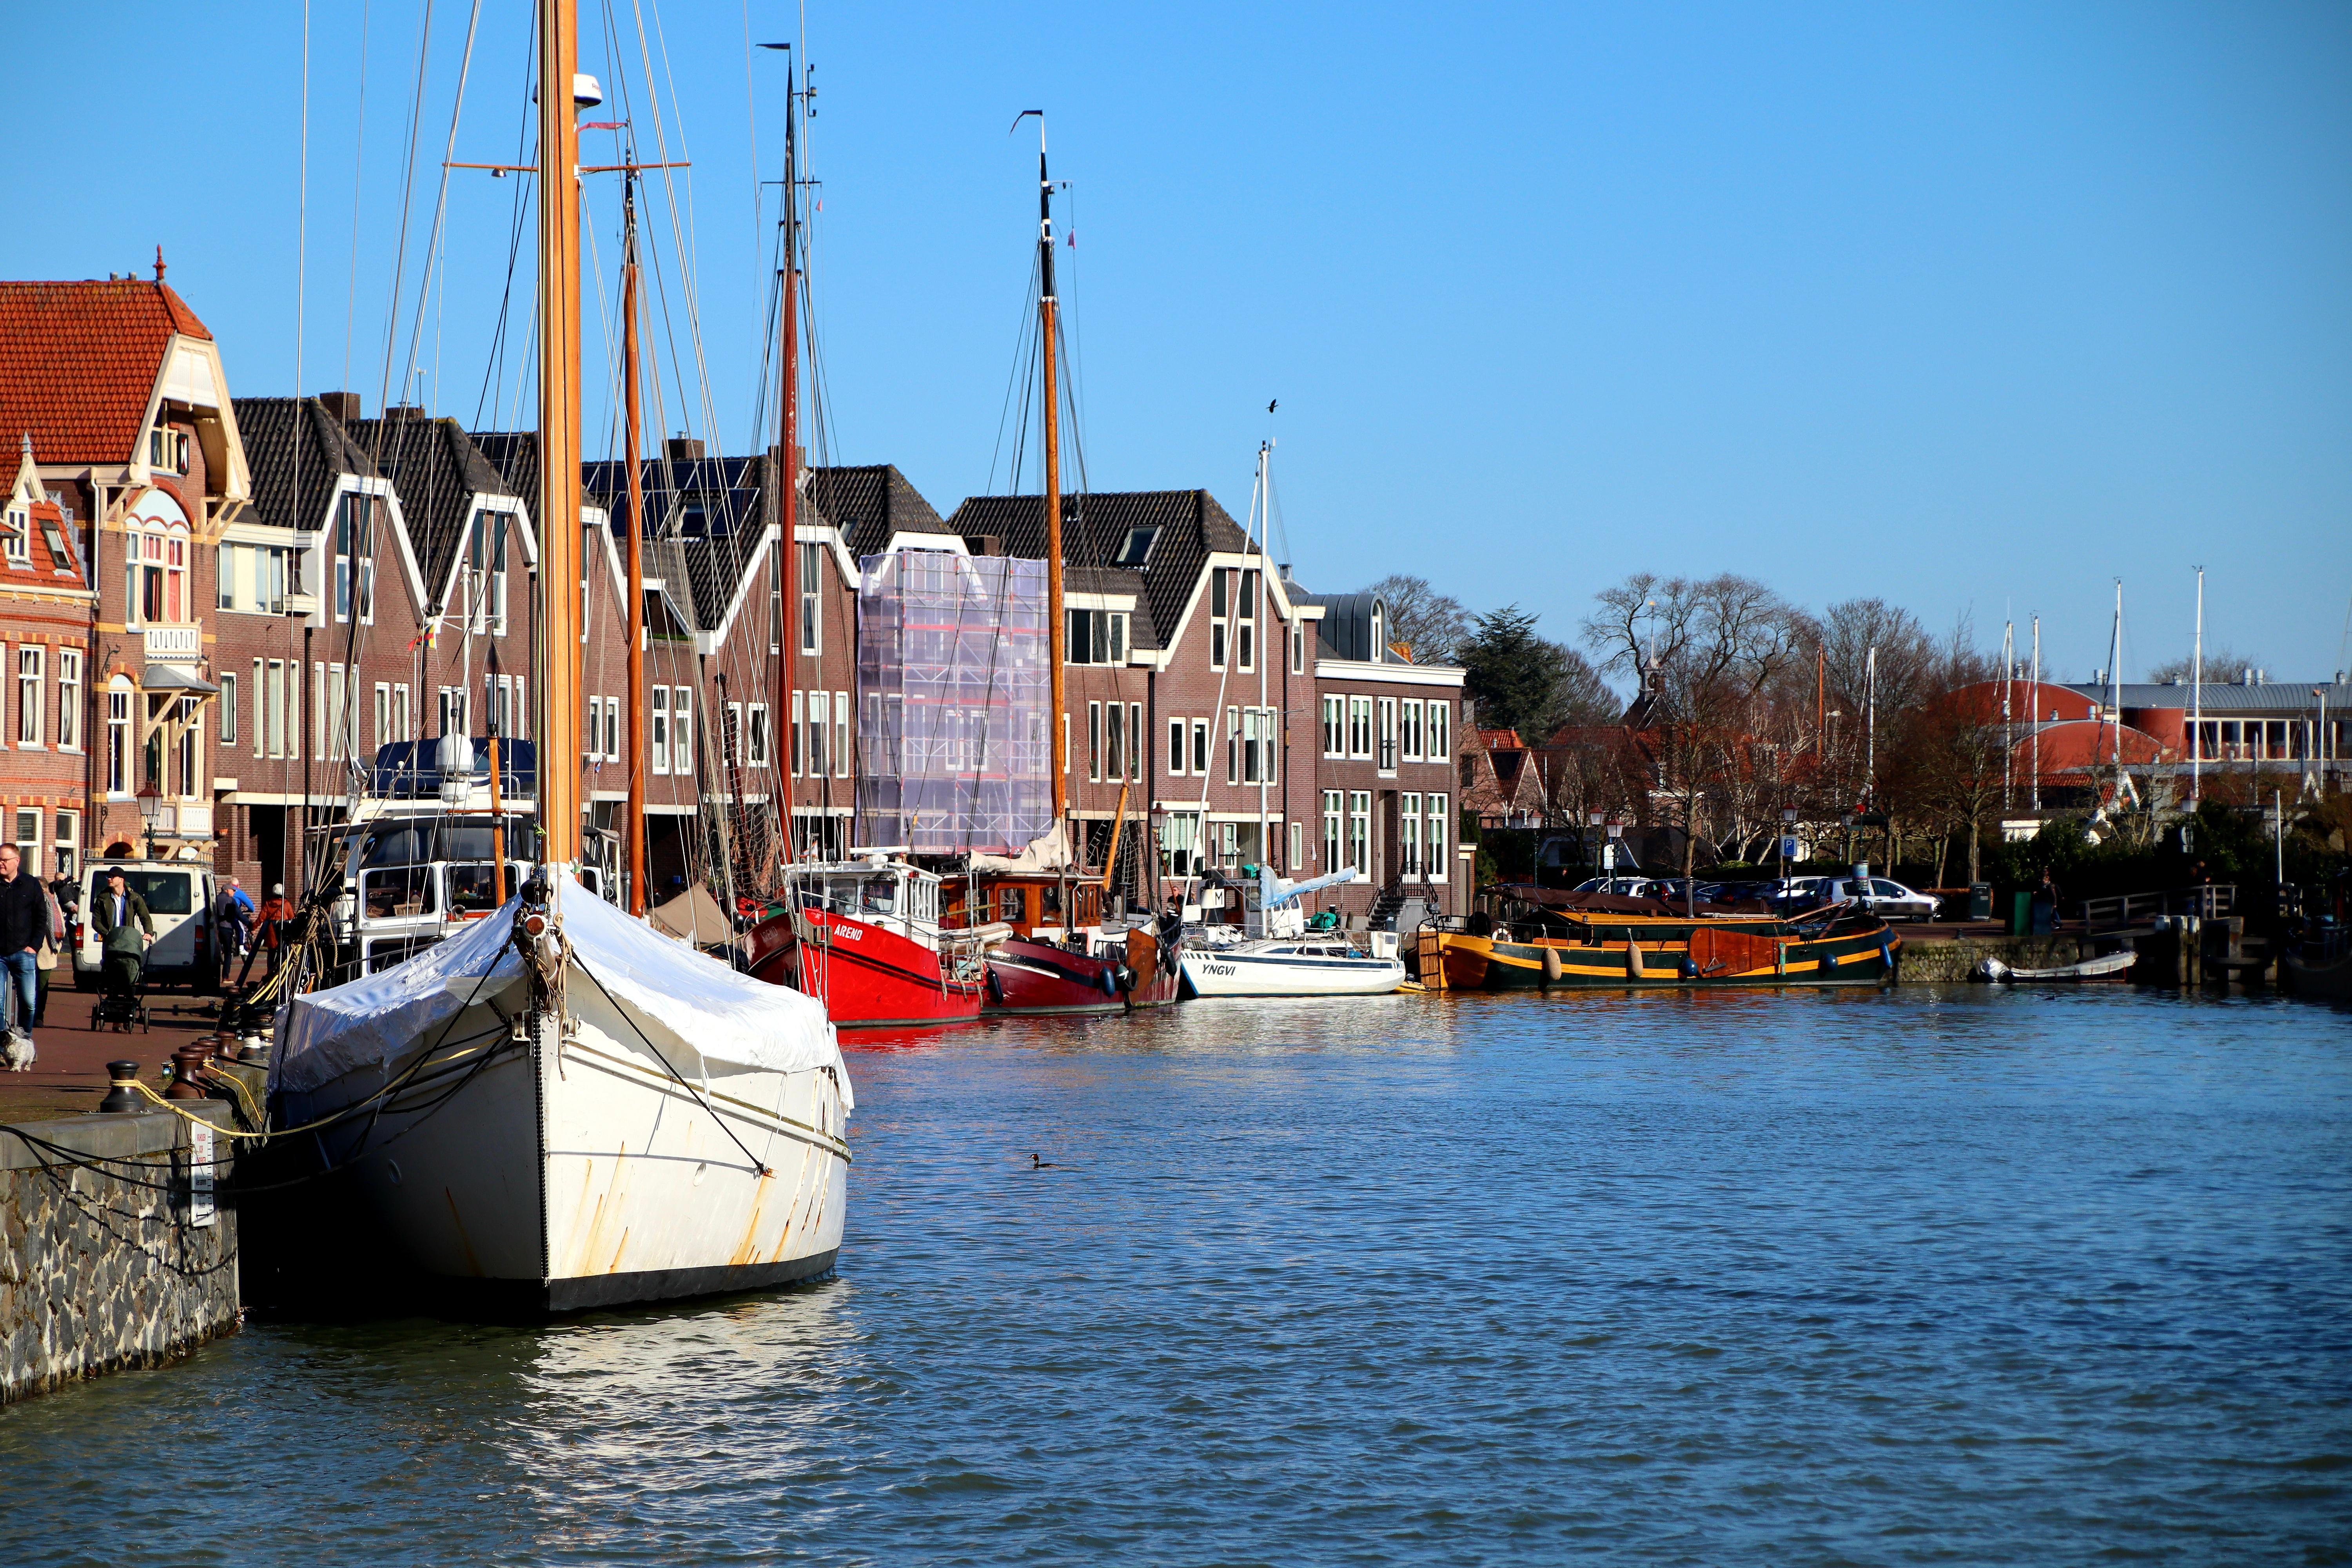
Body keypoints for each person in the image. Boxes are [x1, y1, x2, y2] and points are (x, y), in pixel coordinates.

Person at [0, 846, 48, 1047]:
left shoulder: (30, 885)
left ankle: (25, 1041)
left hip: (24, 952)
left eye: (4, 860)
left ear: (17, 861)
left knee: (29, 1003)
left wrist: (35, 946)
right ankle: (3, 1046)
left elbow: (41, 917)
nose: (1, 863)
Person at [92, 866, 155, 1006]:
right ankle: (114, 1014)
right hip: (111, 942)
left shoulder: (133, 897)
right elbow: (96, 921)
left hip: (128, 942)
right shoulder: (103, 898)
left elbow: (145, 916)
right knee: (112, 976)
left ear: (121, 880)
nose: (109, 879)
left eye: (112, 877)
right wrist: (108, 934)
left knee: (130, 975)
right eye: (108, 877)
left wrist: (148, 932)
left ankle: (128, 1011)